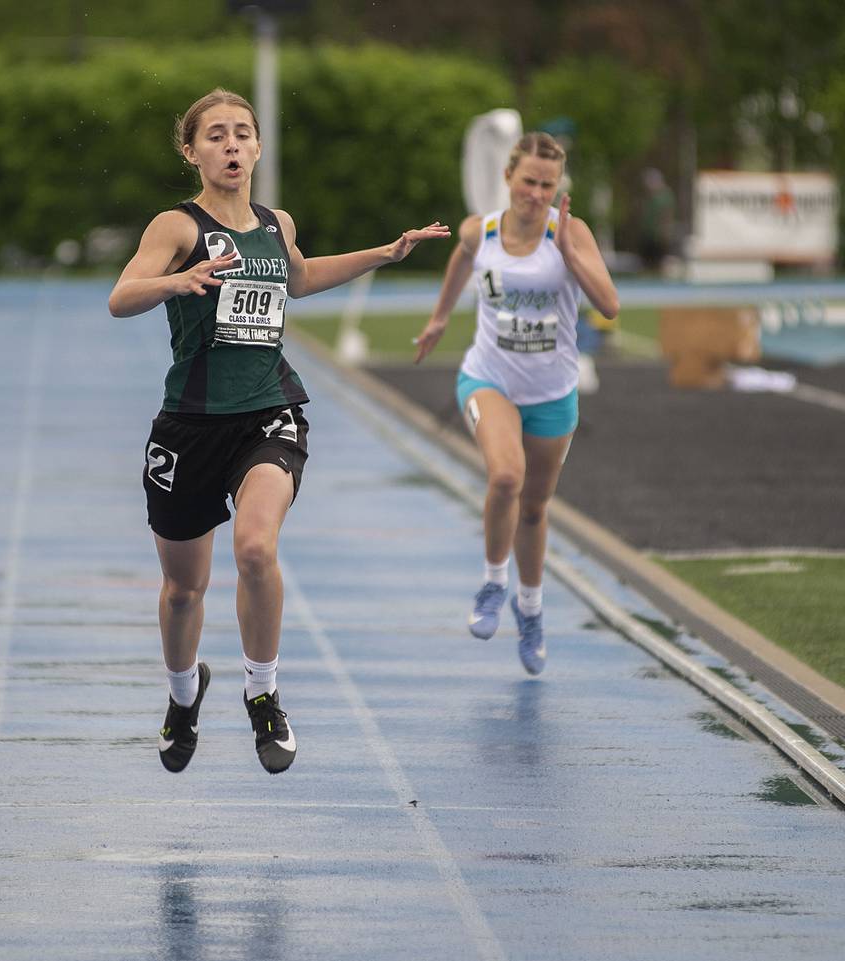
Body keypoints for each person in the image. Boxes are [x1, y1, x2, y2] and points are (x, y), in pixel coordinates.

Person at [109, 89, 448, 774]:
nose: (231, 146)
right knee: (183, 589)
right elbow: (121, 297)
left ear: (259, 147)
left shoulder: (275, 222)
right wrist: (179, 283)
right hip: (190, 426)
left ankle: (263, 693)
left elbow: (298, 277)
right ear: (192, 151)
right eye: (216, 136)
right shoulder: (176, 227)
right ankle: (182, 696)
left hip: (269, 410)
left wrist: (384, 253)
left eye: (242, 134)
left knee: (256, 546)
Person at [413, 133, 619, 675]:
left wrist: (571, 255)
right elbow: (461, 260)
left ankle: (530, 610)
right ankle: (493, 583)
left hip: (552, 392)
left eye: (548, 185)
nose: (536, 193)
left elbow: (610, 305)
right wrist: (439, 318)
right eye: (528, 181)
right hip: (488, 378)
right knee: (506, 477)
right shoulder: (478, 230)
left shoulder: (568, 232)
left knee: (534, 506)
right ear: (509, 178)